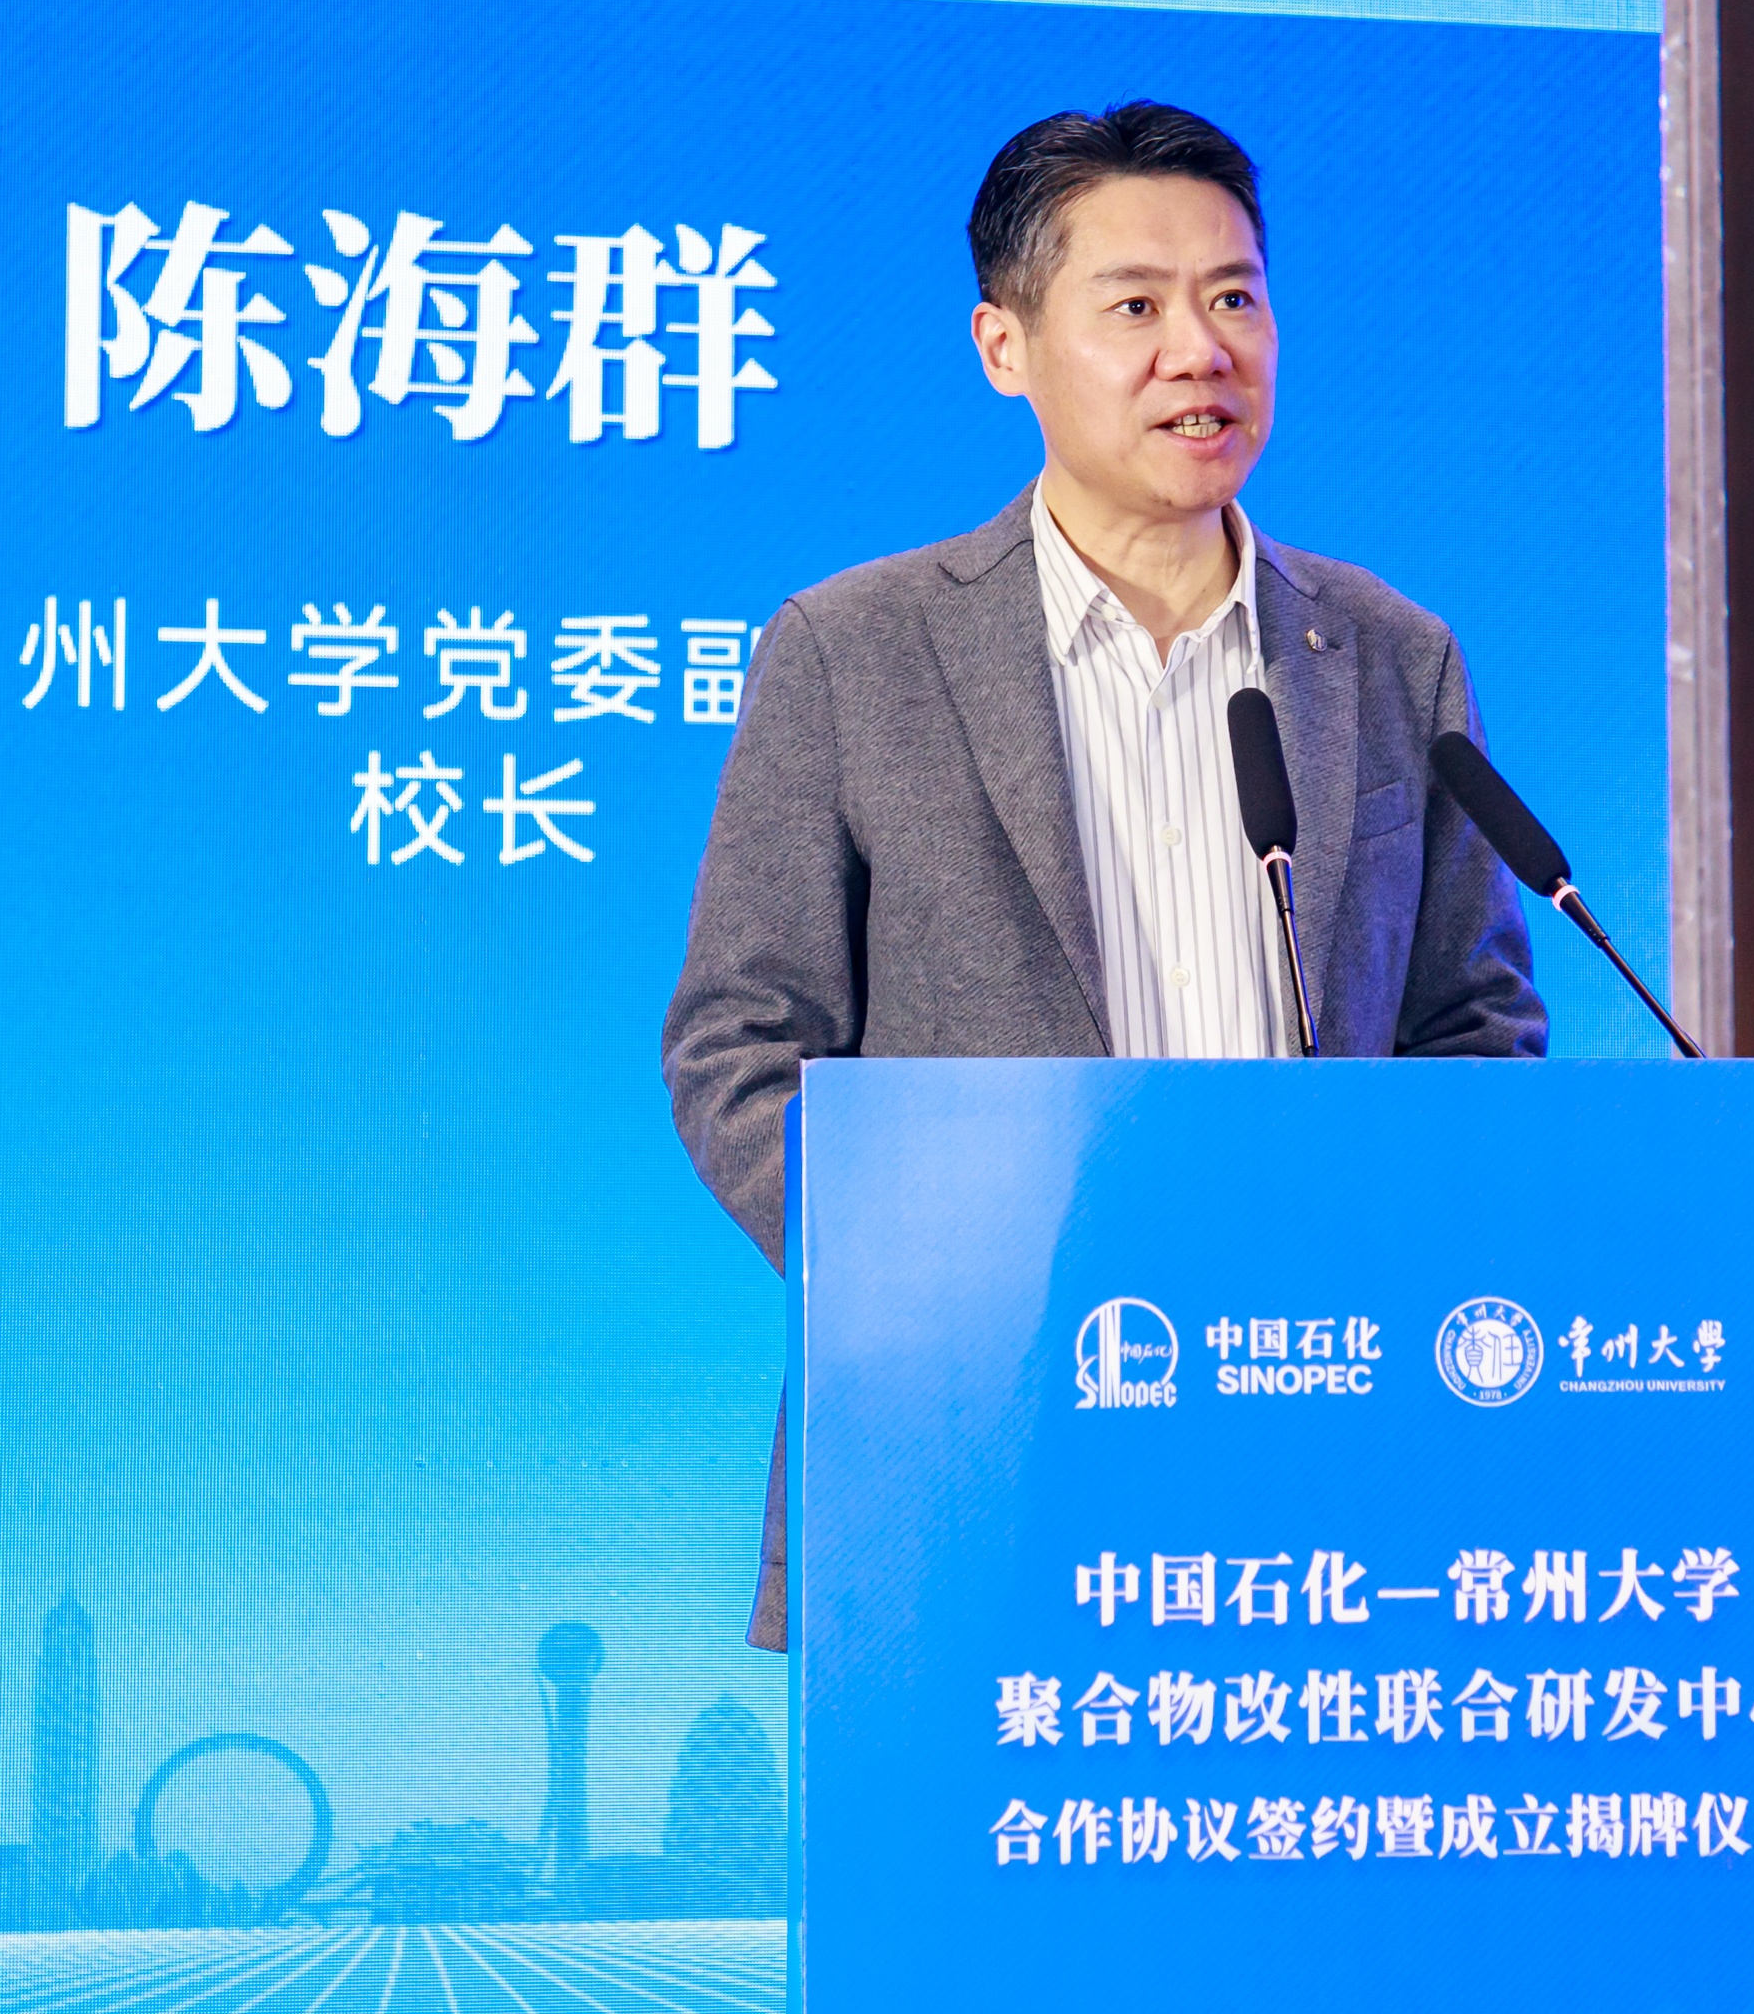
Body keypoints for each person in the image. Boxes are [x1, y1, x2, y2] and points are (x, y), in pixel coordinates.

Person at [663, 100, 1548, 1650]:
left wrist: (1396, 1277)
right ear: (1004, 346)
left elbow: (1474, 1028)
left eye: (1234, 297)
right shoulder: (856, 651)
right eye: (1134, 307)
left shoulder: (1389, 656)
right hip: (968, 1442)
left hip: (1326, 1442)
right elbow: (740, 1048)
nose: (1200, 351)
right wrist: (929, 1283)